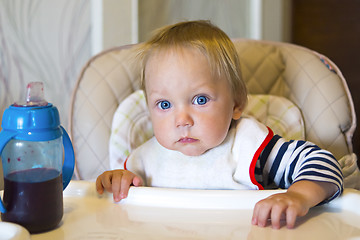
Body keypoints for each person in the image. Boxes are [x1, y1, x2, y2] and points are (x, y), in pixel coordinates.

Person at [96, 20, 343, 229]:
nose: (182, 120)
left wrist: (298, 195)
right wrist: (118, 181)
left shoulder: (250, 148)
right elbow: (124, 215)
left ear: (236, 103)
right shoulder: (145, 161)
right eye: (164, 105)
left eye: (200, 99)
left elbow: (325, 164)